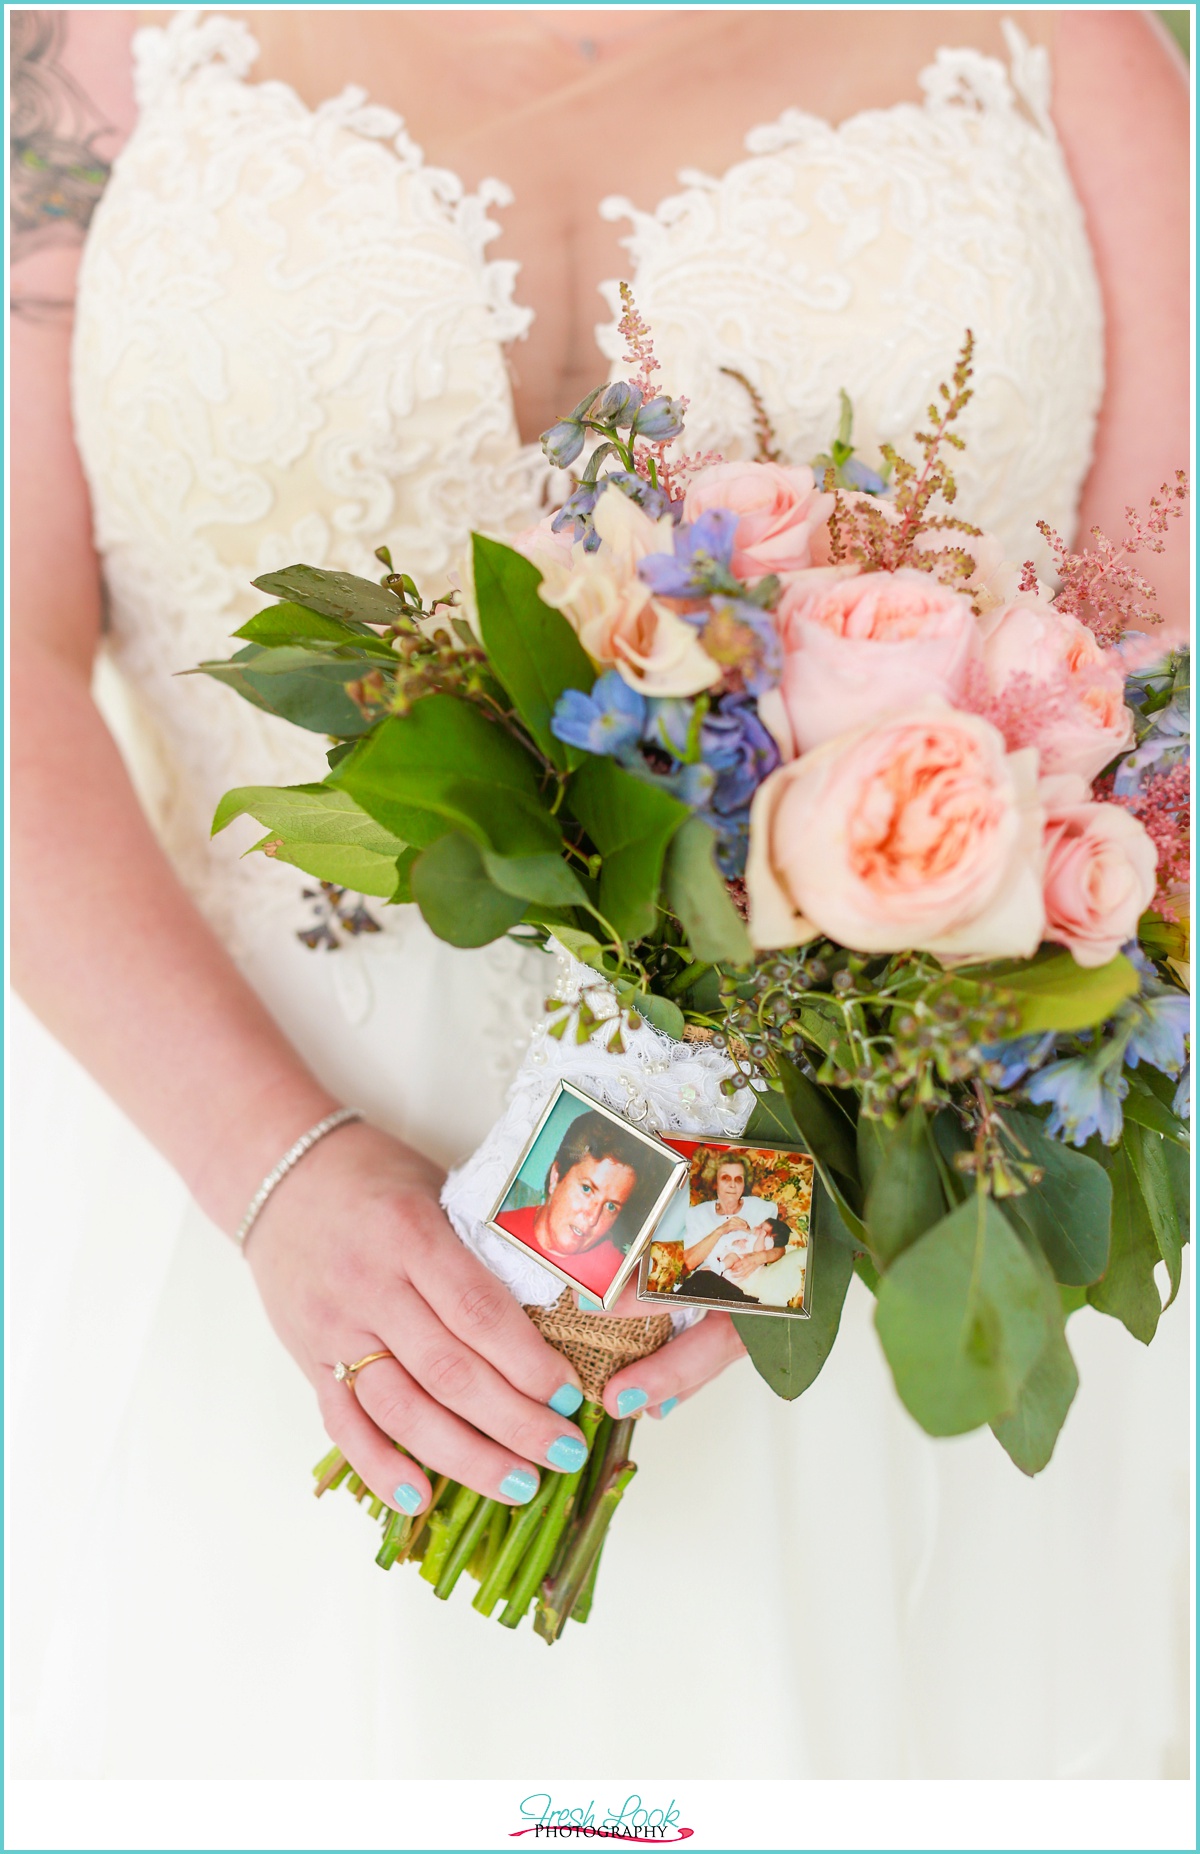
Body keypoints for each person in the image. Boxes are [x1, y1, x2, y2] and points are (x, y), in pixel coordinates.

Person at [11, 6, 1189, 1784]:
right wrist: (278, 1173)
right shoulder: (88, 54)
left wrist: (795, 1166)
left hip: (854, 1243)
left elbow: (1159, 688)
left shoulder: (1068, 39)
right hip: (212, 1190)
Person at [494, 1110, 648, 1297]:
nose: (592, 1218)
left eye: (610, 1206)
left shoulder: (612, 1279)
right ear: (555, 1177)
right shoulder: (500, 1229)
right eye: (586, 1189)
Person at [680, 1153, 783, 1285]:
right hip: (708, 1284)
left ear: (744, 1184)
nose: (732, 1185)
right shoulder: (697, 1214)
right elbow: (689, 1262)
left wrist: (758, 1258)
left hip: (747, 1285)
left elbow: (780, 1248)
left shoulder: (760, 1208)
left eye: (738, 1179)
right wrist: (721, 1230)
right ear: (714, 1182)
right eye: (725, 1178)